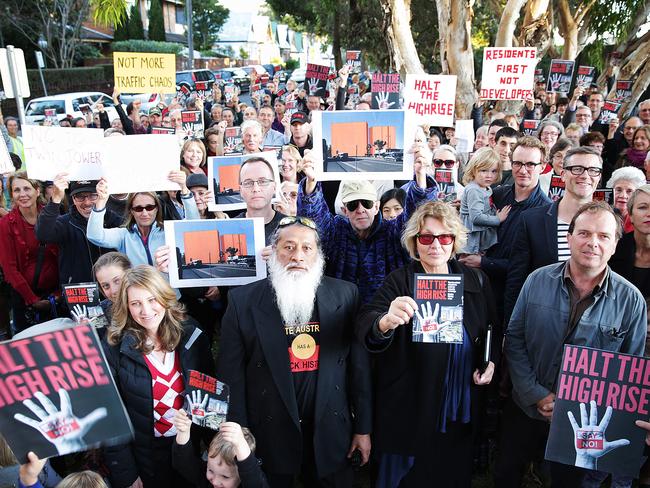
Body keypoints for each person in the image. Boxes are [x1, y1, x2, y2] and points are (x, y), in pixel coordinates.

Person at [495, 201, 647, 487]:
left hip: (582, 423)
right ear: (569, 237)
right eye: (584, 233)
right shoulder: (536, 280)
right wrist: (536, 394)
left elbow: (629, 369)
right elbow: (514, 340)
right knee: (506, 474)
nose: (592, 243)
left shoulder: (631, 300)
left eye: (603, 236)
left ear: (615, 244)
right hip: (526, 407)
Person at [217, 217, 371, 487]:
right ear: (274, 251)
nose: (297, 256)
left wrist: (363, 429)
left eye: (306, 248)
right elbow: (231, 376)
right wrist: (238, 434)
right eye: (288, 247)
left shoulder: (346, 295)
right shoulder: (242, 301)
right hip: (269, 428)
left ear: (318, 255)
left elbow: (358, 369)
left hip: (330, 426)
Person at [357, 201, 498, 487]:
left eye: (444, 237)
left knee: (450, 472)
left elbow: (492, 328)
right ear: (414, 242)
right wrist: (385, 320)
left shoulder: (475, 280)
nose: (436, 245)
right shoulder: (399, 281)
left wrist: (491, 363)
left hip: (460, 404)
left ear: (454, 241)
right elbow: (367, 325)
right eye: (426, 237)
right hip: (412, 405)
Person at [103, 265, 214, 488]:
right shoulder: (116, 349)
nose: (146, 310)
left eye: (152, 299)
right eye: (136, 303)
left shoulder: (191, 334)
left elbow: (209, 393)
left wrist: (215, 449)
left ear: (165, 297)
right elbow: (111, 418)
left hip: (187, 447)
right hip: (145, 455)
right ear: (126, 307)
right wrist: (127, 474)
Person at [298, 144, 437, 303]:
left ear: (377, 207)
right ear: (344, 210)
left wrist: (420, 176)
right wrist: (311, 181)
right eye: (353, 205)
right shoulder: (336, 230)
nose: (360, 209)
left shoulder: (392, 231)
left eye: (366, 203)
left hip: (386, 314)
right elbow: (314, 217)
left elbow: (417, 215)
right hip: (340, 313)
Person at [504, 146, 603, 324]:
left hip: (591, 329)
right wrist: (509, 331)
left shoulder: (609, 225)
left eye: (593, 170)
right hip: (541, 324)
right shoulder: (531, 220)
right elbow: (516, 281)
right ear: (563, 174)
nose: (585, 175)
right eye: (577, 169)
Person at [87, 174, 198, 266]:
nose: (145, 213)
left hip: (167, 292)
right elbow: (95, 236)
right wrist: (101, 201)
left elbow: (193, 226)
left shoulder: (168, 231)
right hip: (137, 292)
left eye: (150, 207)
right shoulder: (124, 235)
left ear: (157, 209)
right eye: (138, 208)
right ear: (132, 211)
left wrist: (184, 189)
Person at [36, 177, 122, 286]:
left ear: (101, 195)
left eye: (93, 195)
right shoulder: (65, 223)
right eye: (80, 197)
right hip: (78, 295)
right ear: (73, 198)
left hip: (113, 292)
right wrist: (55, 200)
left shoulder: (113, 220)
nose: (87, 202)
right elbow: (43, 235)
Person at [0, 173, 59, 333]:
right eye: (16, 190)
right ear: (12, 194)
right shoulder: (6, 224)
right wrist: (33, 300)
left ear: (37, 191)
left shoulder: (52, 216)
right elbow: (10, 269)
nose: (22, 194)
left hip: (57, 297)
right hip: (25, 301)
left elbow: (64, 257)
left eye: (27, 188)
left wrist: (59, 294)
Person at [172, 412, 269, 488]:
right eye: (210, 470)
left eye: (225, 477)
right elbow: (184, 464)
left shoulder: (249, 481)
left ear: (241, 474)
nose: (215, 482)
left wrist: (241, 446)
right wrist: (183, 432)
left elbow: (253, 481)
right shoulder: (206, 481)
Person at [460, 147, 510, 253]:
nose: (489, 175)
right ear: (474, 170)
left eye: (494, 171)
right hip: (472, 240)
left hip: (479, 238)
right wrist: (497, 219)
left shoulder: (483, 187)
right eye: (484, 170)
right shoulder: (474, 189)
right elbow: (476, 217)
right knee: (469, 263)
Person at [236, 156, 285, 243]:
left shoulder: (290, 227)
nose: (256, 189)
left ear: (274, 187)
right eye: (248, 183)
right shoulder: (232, 227)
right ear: (241, 190)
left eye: (263, 182)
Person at [92, 251, 132, 325]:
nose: (113, 291)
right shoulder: (99, 312)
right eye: (106, 286)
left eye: (117, 281)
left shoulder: (150, 302)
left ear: (131, 275)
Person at [607, 166, 646, 233]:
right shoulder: (602, 215)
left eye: (629, 191)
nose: (623, 195)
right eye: (618, 190)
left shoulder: (641, 220)